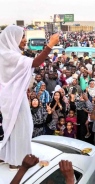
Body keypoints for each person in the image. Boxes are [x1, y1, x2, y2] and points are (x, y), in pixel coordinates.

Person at [0, 25, 59, 169]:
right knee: (22, 127)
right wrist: (50, 45)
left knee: (13, 127)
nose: (25, 40)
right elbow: (35, 63)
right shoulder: (8, 55)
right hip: (14, 99)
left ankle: (6, 155)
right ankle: (17, 161)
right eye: (22, 37)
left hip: (12, 97)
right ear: (12, 38)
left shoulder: (6, 53)